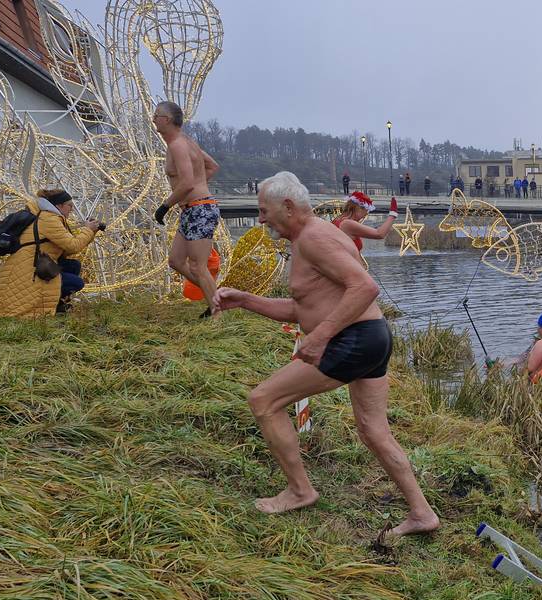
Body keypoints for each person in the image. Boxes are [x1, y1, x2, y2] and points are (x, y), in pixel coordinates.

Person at [211, 171, 438, 536]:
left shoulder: (314, 238)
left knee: (263, 400)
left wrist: (320, 337)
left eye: (264, 210)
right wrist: (246, 300)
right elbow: (304, 308)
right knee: (374, 431)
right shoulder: (313, 236)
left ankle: (300, 491)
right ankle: (422, 514)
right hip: (372, 336)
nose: (261, 219)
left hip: (353, 340)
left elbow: (365, 287)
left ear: (288, 206)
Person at [0, 189, 104, 318]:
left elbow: (67, 249)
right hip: (30, 270)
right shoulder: (49, 219)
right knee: (77, 283)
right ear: (59, 205)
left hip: (37, 263)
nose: (72, 209)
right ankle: (50, 302)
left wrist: (92, 232)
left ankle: (58, 302)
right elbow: (73, 245)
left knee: (73, 265)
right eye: (69, 205)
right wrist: (87, 230)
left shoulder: (48, 217)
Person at [153, 101, 221, 318]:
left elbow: (188, 183)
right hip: (192, 209)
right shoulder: (186, 142)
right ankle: (216, 296)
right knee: (175, 261)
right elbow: (212, 166)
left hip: (200, 209)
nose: (153, 119)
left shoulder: (178, 145)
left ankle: (217, 314)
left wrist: (165, 205)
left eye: (157, 115)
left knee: (198, 266)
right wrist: (198, 187)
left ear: (167, 120)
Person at [332, 191, 398, 252]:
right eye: (366, 211)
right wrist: (393, 214)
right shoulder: (348, 223)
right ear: (358, 208)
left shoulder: (336, 220)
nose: (366, 215)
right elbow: (379, 234)